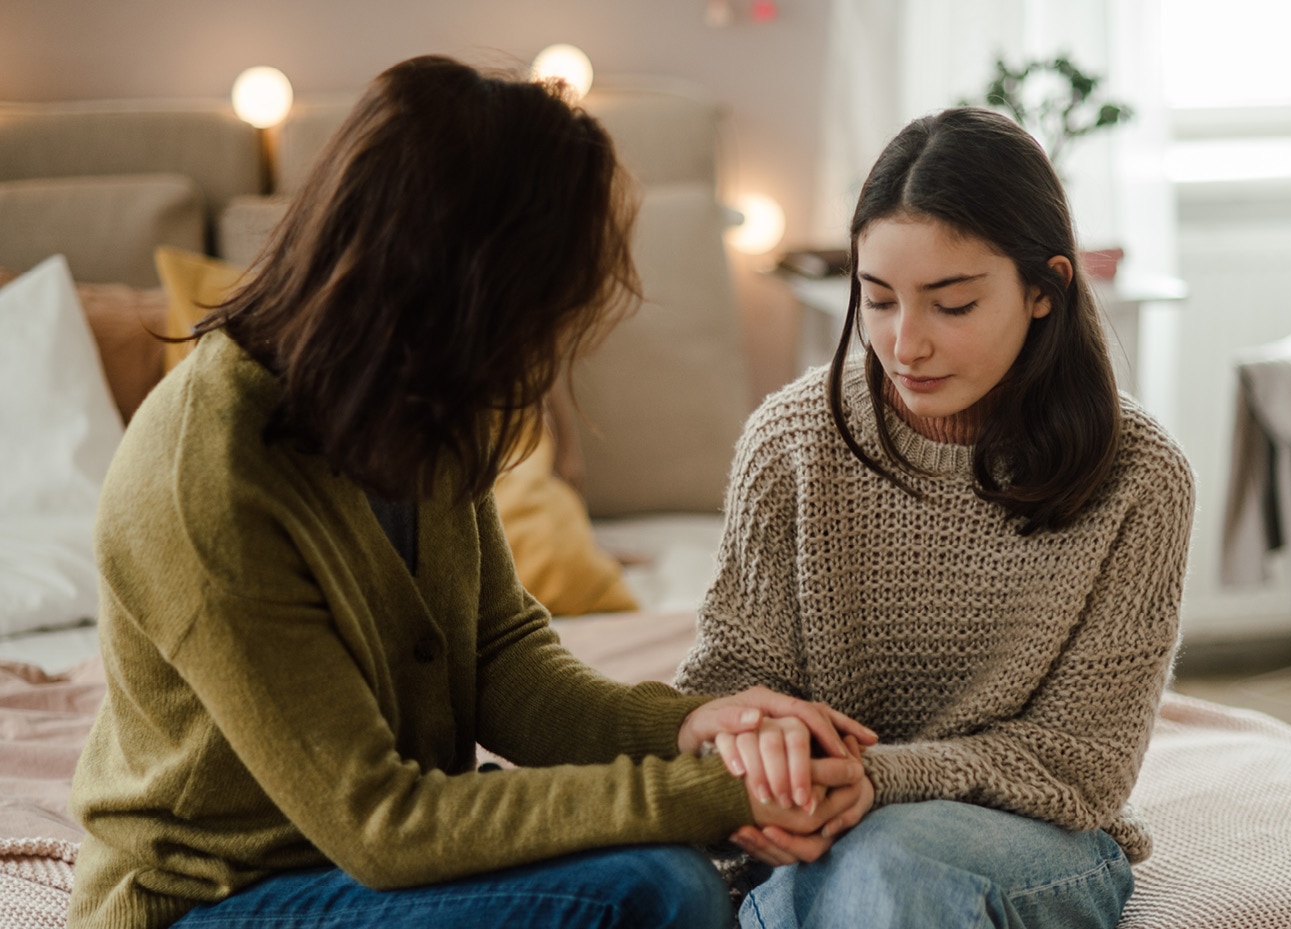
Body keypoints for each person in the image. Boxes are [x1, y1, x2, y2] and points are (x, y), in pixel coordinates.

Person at [65, 55, 877, 929]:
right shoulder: (209, 478)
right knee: (658, 887)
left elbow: (501, 661)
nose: (548, 345)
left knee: (668, 869)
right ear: (460, 288)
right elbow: (382, 825)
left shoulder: (421, 406)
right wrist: (703, 794)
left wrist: (692, 727)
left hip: (371, 863)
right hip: (216, 893)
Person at [675, 107, 1196, 929]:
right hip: (821, 826)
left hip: (1032, 836)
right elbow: (728, 685)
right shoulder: (792, 442)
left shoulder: (1138, 476)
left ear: (1042, 291)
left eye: (950, 305)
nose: (903, 342)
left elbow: (1082, 764)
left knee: (888, 864)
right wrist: (762, 749)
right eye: (877, 300)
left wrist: (883, 779)